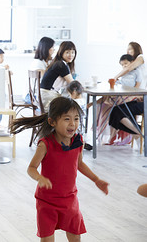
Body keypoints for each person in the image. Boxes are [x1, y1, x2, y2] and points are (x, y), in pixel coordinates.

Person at [10, 97, 109, 241]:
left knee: (75, 237)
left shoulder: (78, 141)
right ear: (52, 122)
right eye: (67, 119)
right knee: (47, 239)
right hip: (47, 202)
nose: (73, 124)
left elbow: (79, 164)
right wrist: (39, 178)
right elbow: (31, 168)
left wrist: (96, 180)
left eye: (76, 119)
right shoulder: (45, 144)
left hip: (69, 199)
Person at [95, 52, 143, 145]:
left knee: (116, 112)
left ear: (132, 62)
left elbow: (137, 89)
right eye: (122, 65)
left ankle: (140, 132)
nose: (124, 66)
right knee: (113, 112)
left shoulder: (137, 72)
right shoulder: (124, 74)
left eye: (126, 63)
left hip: (134, 99)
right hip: (125, 98)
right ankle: (138, 132)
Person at [40, 41, 77, 110]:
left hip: (44, 95)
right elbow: (72, 84)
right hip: (48, 96)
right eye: (67, 52)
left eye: (73, 52)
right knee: (71, 106)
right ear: (61, 52)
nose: (71, 55)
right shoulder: (61, 65)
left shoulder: (58, 63)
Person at [25, 37, 55, 104]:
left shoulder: (43, 62)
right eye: (52, 47)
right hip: (31, 96)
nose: (54, 50)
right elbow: (46, 80)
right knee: (58, 100)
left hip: (35, 94)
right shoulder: (38, 63)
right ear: (47, 49)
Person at [66, 81, 92, 150]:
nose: (69, 96)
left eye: (69, 94)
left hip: (74, 125)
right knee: (79, 137)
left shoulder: (74, 102)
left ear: (74, 92)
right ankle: (81, 147)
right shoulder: (82, 100)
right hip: (81, 125)